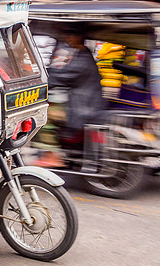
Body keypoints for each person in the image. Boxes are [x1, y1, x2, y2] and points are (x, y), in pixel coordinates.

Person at [34, 26, 106, 167]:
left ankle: (51, 155)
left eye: (69, 36)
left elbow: (59, 77)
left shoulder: (81, 60)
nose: (67, 39)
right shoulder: (82, 55)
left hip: (83, 109)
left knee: (43, 115)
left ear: (77, 38)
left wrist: (36, 87)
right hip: (84, 104)